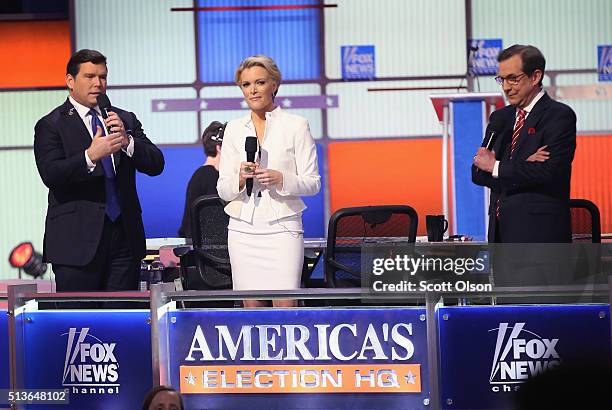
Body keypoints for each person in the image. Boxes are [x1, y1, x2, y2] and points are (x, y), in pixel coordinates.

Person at [33, 49, 164, 293]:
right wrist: (90, 156)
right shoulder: (51, 125)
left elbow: (156, 164)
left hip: (125, 238)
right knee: (80, 323)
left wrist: (127, 142)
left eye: (103, 77)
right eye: (90, 76)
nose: (98, 83)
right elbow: (51, 174)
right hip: (76, 244)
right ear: (70, 81)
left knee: (120, 322)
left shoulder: (124, 119)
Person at [217, 55, 321, 308]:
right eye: (246, 84)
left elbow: (313, 183)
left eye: (260, 82)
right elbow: (223, 188)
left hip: (283, 227)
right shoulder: (233, 128)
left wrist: (281, 178)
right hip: (242, 229)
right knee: (251, 312)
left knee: (285, 309)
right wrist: (240, 178)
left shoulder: (296, 125)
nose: (252, 90)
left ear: (274, 84)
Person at [472, 44, 576, 243]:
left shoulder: (559, 116)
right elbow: (477, 172)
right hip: (500, 238)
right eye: (501, 79)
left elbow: (549, 172)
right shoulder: (500, 118)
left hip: (541, 240)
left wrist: (496, 167)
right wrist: (523, 165)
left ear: (535, 77)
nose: (505, 87)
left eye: (513, 79)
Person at [178, 121, 225, 238]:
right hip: (209, 249)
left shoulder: (202, 174)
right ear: (219, 148)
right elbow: (216, 222)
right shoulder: (210, 176)